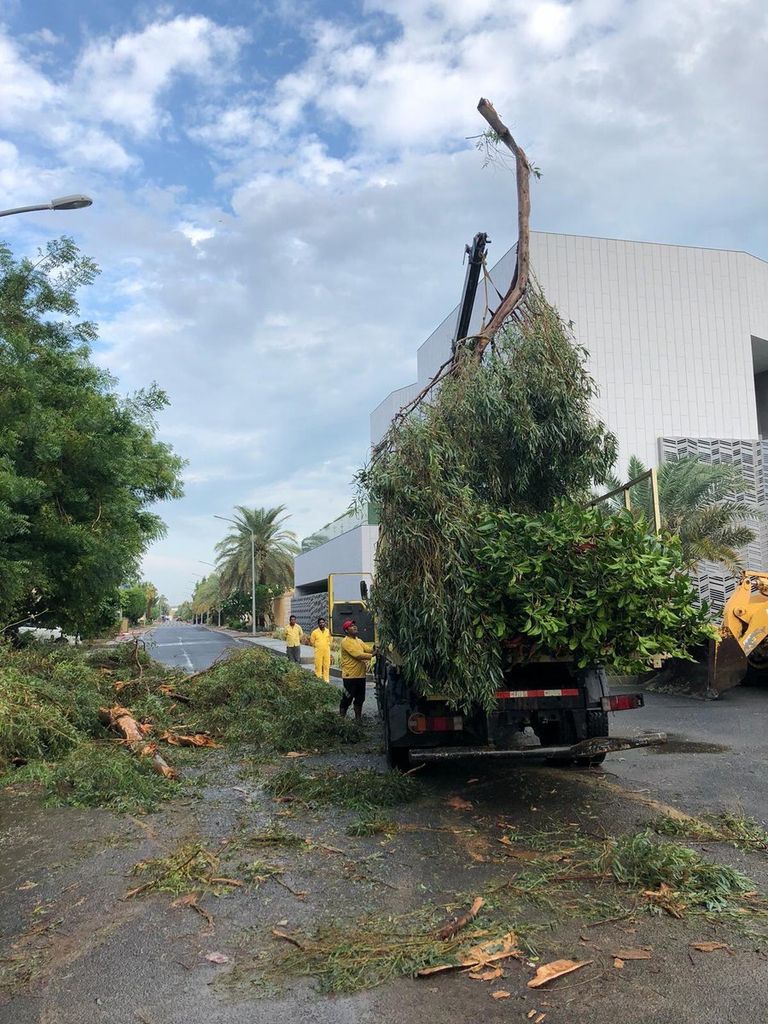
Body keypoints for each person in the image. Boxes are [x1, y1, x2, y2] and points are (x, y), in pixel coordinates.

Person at [339, 619, 374, 721]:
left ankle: (358, 719)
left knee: (360, 699)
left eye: (354, 625)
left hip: (361, 675)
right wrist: (372, 655)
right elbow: (358, 655)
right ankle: (341, 720)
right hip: (350, 676)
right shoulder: (345, 642)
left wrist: (374, 649)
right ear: (346, 630)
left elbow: (368, 649)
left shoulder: (359, 641)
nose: (354, 627)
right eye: (351, 626)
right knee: (347, 698)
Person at [309, 616, 332, 683]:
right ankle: (318, 679)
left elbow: (331, 640)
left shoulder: (328, 631)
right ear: (318, 624)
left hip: (326, 651)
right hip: (318, 651)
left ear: (325, 623)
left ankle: (326, 680)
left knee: (326, 665)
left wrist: (327, 645)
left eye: (323, 622)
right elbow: (312, 642)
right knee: (318, 665)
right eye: (320, 623)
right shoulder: (314, 632)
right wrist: (317, 646)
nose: (322, 624)